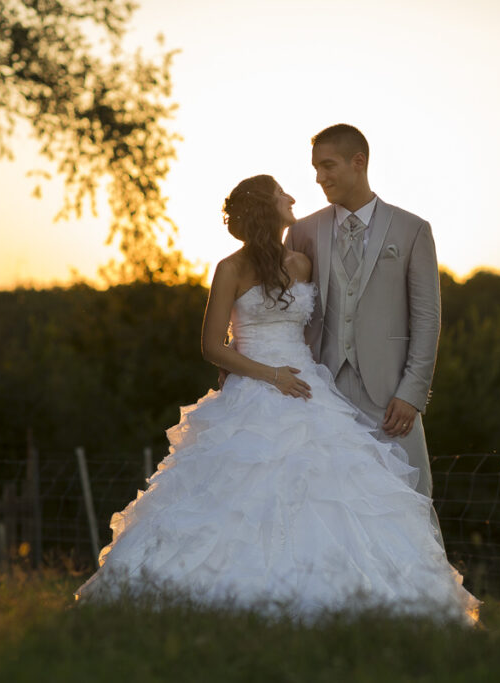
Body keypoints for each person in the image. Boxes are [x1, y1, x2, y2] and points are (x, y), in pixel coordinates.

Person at [75, 174, 477, 624]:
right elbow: (211, 346)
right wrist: (270, 375)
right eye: (281, 194)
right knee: (241, 492)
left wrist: (298, 374)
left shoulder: (302, 264)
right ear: (267, 208)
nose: (292, 197)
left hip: (308, 387)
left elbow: (314, 327)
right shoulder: (229, 268)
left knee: (333, 489)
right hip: (257, 386)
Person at [285, 124, 442, 526]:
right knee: (327, 509)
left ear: (359, 162)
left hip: (391, 398)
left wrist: (412, 393)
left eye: (328, 166)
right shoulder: (302, 232)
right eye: (316, 168)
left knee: (410, 502)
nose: (320, 178)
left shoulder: (412, 230)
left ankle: (418, 591)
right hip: (320, 395)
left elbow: (427, 319)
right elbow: (284, 310)